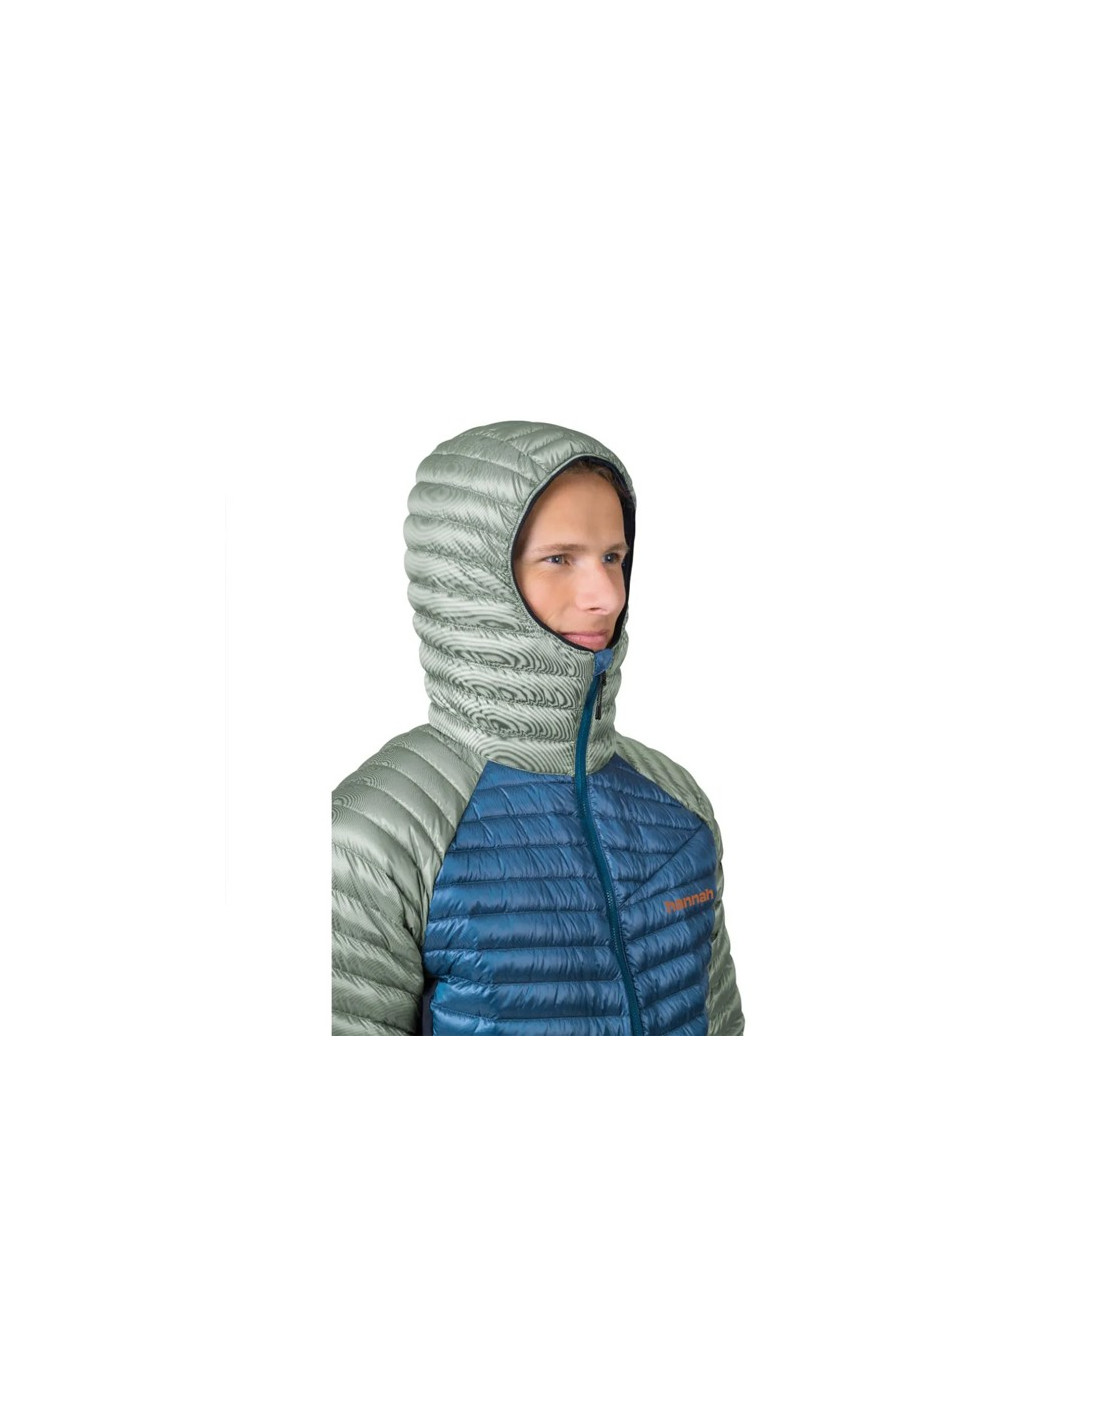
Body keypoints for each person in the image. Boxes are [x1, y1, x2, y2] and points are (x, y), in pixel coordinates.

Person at [331, 419, 744, 1035]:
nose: (606, 595)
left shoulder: (679, 805)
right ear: (472, 576)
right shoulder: (377, 836)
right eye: (559, 559)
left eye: (613, 557)